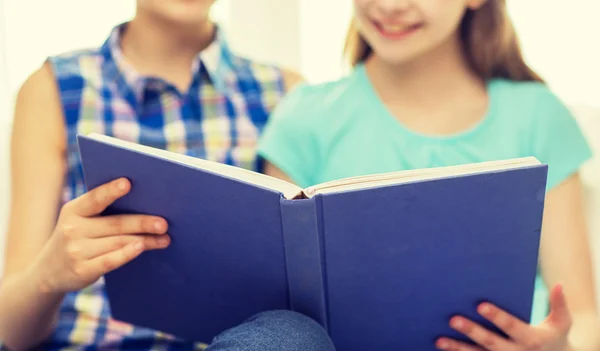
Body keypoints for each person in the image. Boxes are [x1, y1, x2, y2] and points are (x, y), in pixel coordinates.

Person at [258, 0, 600, 350]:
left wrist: (556, 347)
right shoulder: (304, 117)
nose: (390, 6)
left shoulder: (537, 117)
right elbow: (281, 314)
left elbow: (583, 319)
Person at [0, 0, 336, 350]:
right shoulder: (54, 88)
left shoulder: (284, 91)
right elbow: (14, 331)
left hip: (234, 342)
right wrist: (47, 277)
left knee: (296, 334)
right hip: (86, 342)